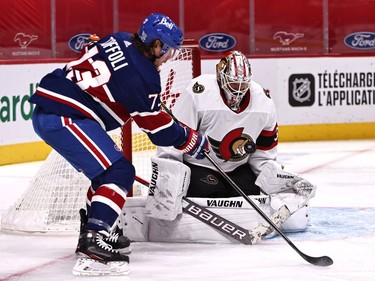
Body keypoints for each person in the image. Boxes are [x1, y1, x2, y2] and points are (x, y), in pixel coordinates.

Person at [28, 13, 208, 276]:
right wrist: (190, 139)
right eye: (168, 50)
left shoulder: (119, 39)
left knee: (106, 175)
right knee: (119, 172)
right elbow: (158, 131)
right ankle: (94, 237)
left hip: (56, 108)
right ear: (156, 45)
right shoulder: (144, 78)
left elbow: (92, 48)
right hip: (66, 116)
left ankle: (92, 230)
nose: (169, 57)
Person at [151, 50, 316, 241]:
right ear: (221, 77)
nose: (238, 89)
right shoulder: (199, 92)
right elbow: (174, 138)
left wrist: (277, 181)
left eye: (243, 83)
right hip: (201, 167)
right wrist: (168, 181)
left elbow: (263, 154)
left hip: (237, 168)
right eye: (234, 82)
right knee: (209, 193)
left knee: (256, 196)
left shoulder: (264, 102)